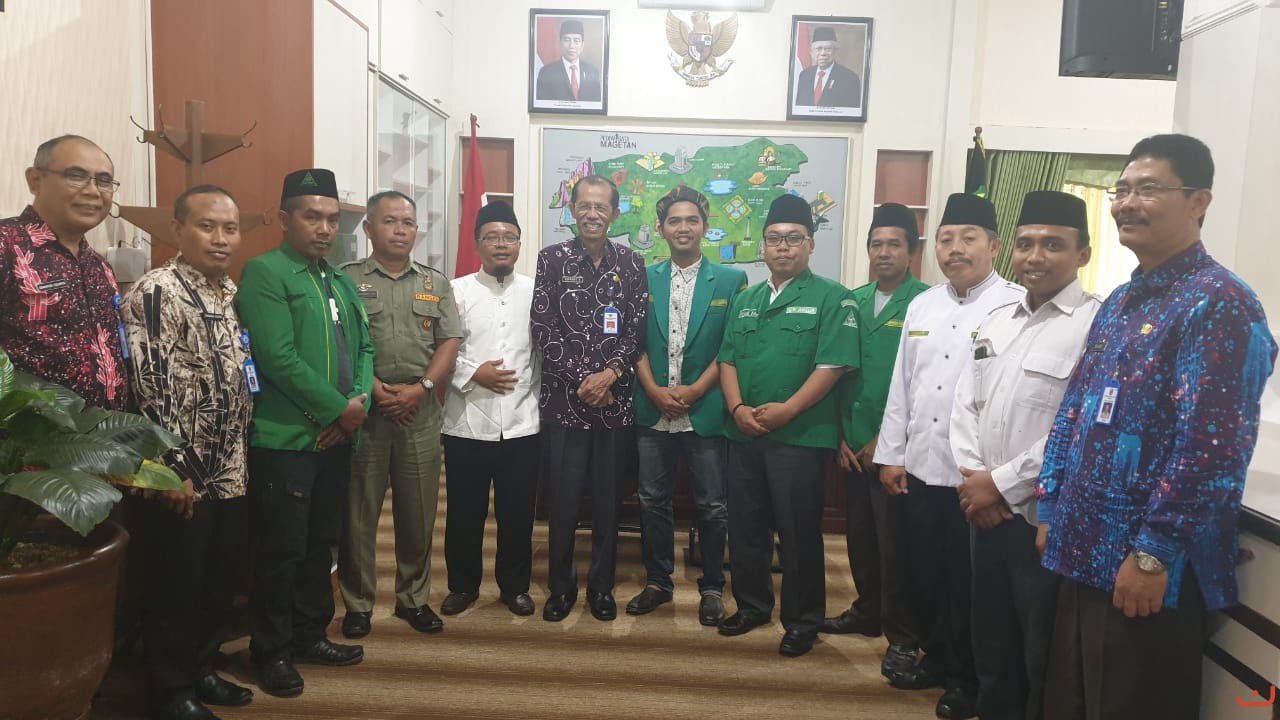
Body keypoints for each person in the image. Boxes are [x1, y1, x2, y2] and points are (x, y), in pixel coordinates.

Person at [1037, 134, 1276, 720]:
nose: (1126, 203)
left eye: (1147, 189)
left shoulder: (1220, 304)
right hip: (1083, 550)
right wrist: (1050, 505)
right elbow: (1075, 409)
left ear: (1199, 201)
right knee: (1069, 703)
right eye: (1121, 190)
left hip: (1148, 575)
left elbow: (1211, 451)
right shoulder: (1123, 300)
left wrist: (1153, 554)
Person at [950, 191, 1100, 720]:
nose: (1035, 256)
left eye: (1053, 245)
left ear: (1083, 253)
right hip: (982, 510)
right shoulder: (998, 320)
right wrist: (975, 479)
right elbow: (966, 403)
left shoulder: (1095, 325)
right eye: (1026, 243)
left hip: (1042, 518)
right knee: (990, 639)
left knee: (1041, 651)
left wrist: (1000, 485)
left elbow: (1076, 426)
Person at [874, 192, 1024, 720]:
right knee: (926, 573)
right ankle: (937, 658)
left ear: (994, 246)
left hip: (974, 476)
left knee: (970, 584)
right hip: (920, 467)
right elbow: (903, 386)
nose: (955, 249)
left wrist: (996, 478)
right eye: (945, 239)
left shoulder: (1015, 305)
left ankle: (968, 680)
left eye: (968, 238)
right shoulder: (923, 304)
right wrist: (892, 455)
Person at [237, 168, 374, 698]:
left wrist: (357, 404)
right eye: (312, 217)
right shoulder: (266, 273)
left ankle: (310, 634)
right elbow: (277, 358)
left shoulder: (337, 279)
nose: (324, 229)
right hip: (288, 441)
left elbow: (365, 348)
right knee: (282, 549)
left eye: (332, 220)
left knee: (321, 543)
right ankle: (270, 651)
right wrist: (340, 410)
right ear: (284, 218)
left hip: (336, 437)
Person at [122, 185, 256, 720]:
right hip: (181, 472)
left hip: (230, 464)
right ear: (177, 230)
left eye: (230, 228)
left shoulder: (228, 292)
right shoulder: (157, 292)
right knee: (175, 584)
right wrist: (171, 470)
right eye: (207, 226)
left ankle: (201, 669)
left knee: (217, 580)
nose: (221, 238)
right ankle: (170, 691)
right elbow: (150, 388)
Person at [717, 193, 860, 658]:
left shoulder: (833, 298)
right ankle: (752, 605)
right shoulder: (747, 299)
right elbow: (727, 359)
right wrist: (737, 409)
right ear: (762, 246)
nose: (783, 247)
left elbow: (832, 366)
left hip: (800, 436)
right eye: (774, 238)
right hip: (744, 433)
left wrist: (788, 410)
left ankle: (802, 620)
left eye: (794, 238)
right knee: (746, 527)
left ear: (811, 244)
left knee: (798, 534)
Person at [338, 191, 461, 637]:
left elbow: (449, 340)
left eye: (408, 223)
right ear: (369, 228)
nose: (400, 230)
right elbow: (340, 343)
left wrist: (421, 389)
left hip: (419, 412)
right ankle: (358, 603)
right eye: (390, 221)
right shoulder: (345, 279)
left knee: (419, 513)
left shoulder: (435, 282)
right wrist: (374, 389)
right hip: (364, 412)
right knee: (358, 514)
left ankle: (414, 598)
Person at [626, 185, 747, 625]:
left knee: (713, 505)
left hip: (705, 407)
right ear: (660, 229)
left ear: (705, 227)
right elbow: (633, 342)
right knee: (652, 500)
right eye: (674, 221)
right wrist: (654, 390)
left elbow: (731, 346)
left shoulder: (731, 281)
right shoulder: (643, 277)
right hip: (652, 407)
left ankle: (712, 586)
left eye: (691, 220)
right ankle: (658, 582)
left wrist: (695, 390)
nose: (683, 227)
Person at [532, 174, 648, 623]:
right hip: (564, 403)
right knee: (562, 503)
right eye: (584, 205)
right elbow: (544, 328)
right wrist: (586, 380)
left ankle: (601, 587)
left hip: (614, 405)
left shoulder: (631, 262)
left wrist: (609, 376)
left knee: (607, 503)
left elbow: (635, 329)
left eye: (602, 207)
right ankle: (560, 588)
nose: (593, 214)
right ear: (572, 210)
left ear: (615, 213)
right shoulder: (551, 259)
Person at [822, 203, 929, 679]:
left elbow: (922, 385)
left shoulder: (926, 303)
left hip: (896, 451)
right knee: (861, 539)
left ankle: (903, 636)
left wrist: (885, 441)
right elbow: (837, 375)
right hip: (853, 444)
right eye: (876, 245)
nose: (883, 253)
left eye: (894, 245)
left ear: (912, 251)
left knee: (897, 547)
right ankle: (867, 611)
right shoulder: (853, 301)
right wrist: (842, 437)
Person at [441, 201, 541, 617]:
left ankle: (514, 587)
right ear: (477, 243)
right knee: (465, 512)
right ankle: (462, 586)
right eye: (492, 237)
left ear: (519, 243)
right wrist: (472, 372)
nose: (501, 244)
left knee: (517, 513)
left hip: (523, 421)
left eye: (509, 237)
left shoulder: (537, 291)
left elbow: (546, 351)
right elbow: (438, 347)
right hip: (466, 420)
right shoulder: (455, 290)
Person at [0, 134, 129, 410]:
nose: (93, 191)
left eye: (104, 181)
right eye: (76, 176)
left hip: (109, 431)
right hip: (29, 434)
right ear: (35, 180)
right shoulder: (6, 245)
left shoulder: (99, 265)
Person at [534, 19, 602, 102]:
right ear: (560, 43)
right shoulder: (546, 73)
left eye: (576, 41)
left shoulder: (592, 72)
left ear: (582, 45)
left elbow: (597, 104)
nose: (572, 46)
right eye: (567, 40)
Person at [793, 27, 862, 108]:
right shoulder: (804, 76)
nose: (823, 53)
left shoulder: (850, 78)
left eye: (828, 49)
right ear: (811, 51)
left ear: (835, 50)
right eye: (818, 49)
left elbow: (851, 112)